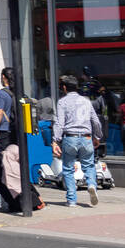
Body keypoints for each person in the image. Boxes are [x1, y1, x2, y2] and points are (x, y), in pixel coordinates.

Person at [53, 75, 103, 208]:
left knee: (68, 169)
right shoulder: (86, 101)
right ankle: (92, 185)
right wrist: (97, 137)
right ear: (76, 87)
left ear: (64, 87)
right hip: (86, 137)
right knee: (89, 166)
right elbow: (95, 120)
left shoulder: (62, 102)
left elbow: (59, 123)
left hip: (70, 138)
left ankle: (72, 200)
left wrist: (55, 141)